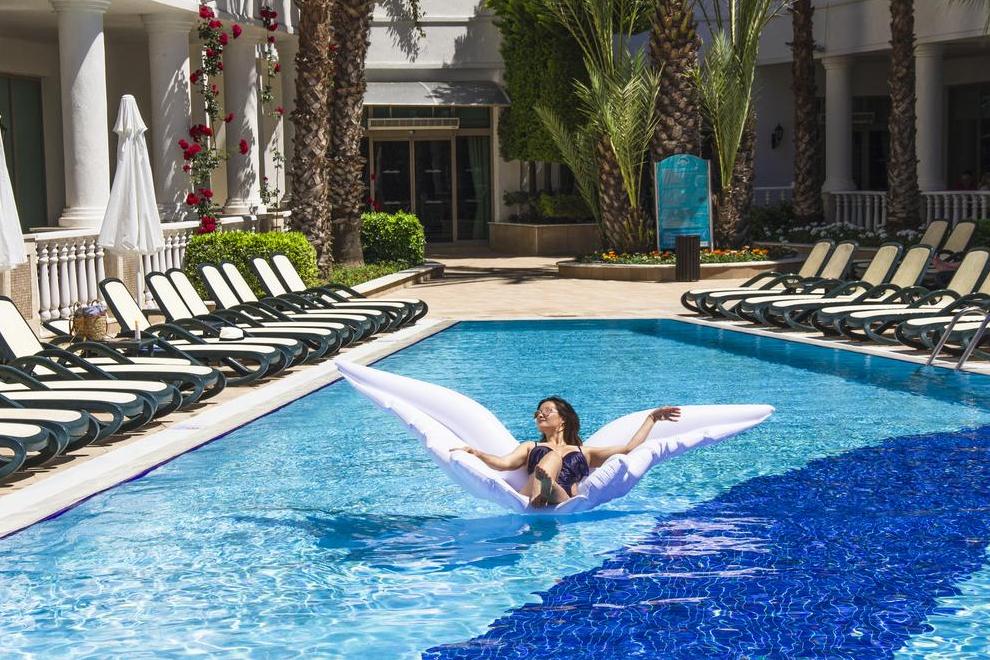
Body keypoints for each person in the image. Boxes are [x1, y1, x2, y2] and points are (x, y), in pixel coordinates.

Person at [452, 397, 681, 508]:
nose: (540, 415)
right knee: (550, 457)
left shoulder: (585, 452)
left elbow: (629, 449)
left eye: (546, 411)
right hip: (531, 494)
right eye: (537, 413)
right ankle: (543, 488)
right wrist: (476, 453)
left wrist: (652, 418)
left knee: (552, 464)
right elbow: (504, 463)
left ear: (563, 419)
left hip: (563, 499)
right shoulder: (530, 446)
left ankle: (548, 487)